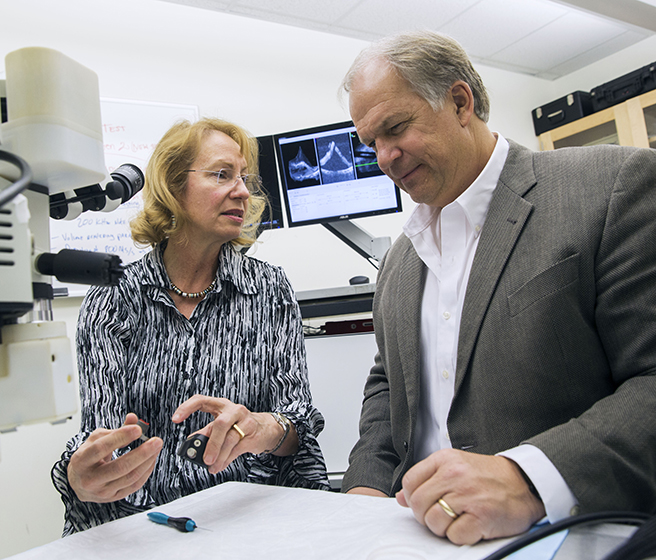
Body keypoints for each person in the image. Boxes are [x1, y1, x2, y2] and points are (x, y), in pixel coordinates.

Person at [338, 30, 656, 545]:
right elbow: (388, 385)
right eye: (370, 142)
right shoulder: (400, 258)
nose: (384, 156)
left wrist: (531, 478)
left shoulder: (612, 187)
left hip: (566, 534)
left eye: (395, 129)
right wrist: (367, 486)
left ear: (460, 102)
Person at [51, 117, 330, 536]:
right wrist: (81, 475)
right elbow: (101, 437)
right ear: (172, 186)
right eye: (221, 174)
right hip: (148, 525)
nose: (242, 191)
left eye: (244, 179)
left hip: (247, 517)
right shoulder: (112, 299)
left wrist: (261, 429)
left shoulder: (268, 289)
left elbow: (297, 426)